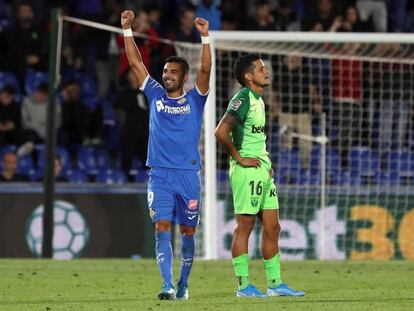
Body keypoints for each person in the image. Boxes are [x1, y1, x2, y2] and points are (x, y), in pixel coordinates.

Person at [121, 10, 211, 300]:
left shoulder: (196, 99)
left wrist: (205, 37)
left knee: (187, 233)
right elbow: (135, 62)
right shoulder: (155, 95)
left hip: (188, 175)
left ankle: (184, 283)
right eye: (165, 72)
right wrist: (127, 30)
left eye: (173, 72)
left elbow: (206, 71)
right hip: (159, 174)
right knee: (161, 227)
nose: (166, 75)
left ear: (184, 77)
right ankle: (167, 285)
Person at [215, 53, 304, 297]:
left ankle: (275, 284)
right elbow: (221, 132)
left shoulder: (259, 99)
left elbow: (255, 137)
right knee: (245, 227)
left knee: (273, 227)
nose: (266, 71)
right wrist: (239, 158)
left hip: (262, 168)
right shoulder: (242, 98)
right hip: (246, 170)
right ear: (248, 76)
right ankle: (243, 286)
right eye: (260, 68)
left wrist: (265, 163)